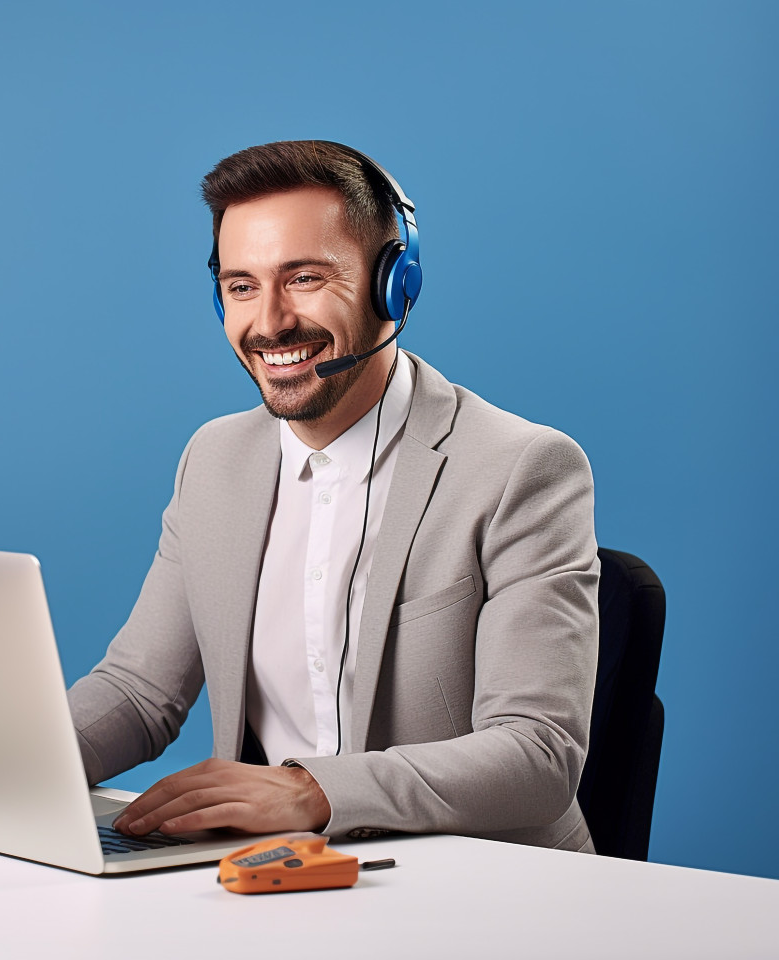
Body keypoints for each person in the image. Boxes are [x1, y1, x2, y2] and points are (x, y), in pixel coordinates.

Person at [67, 140, 599, 852]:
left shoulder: (520, 469)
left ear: (395, 284)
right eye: (241, 286)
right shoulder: (215, 460)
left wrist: (309, 791)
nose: (271, 322)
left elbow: (537, 755)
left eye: (306, 278)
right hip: (278, 883)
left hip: (481, 890)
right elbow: (139, 692)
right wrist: (6, 762)